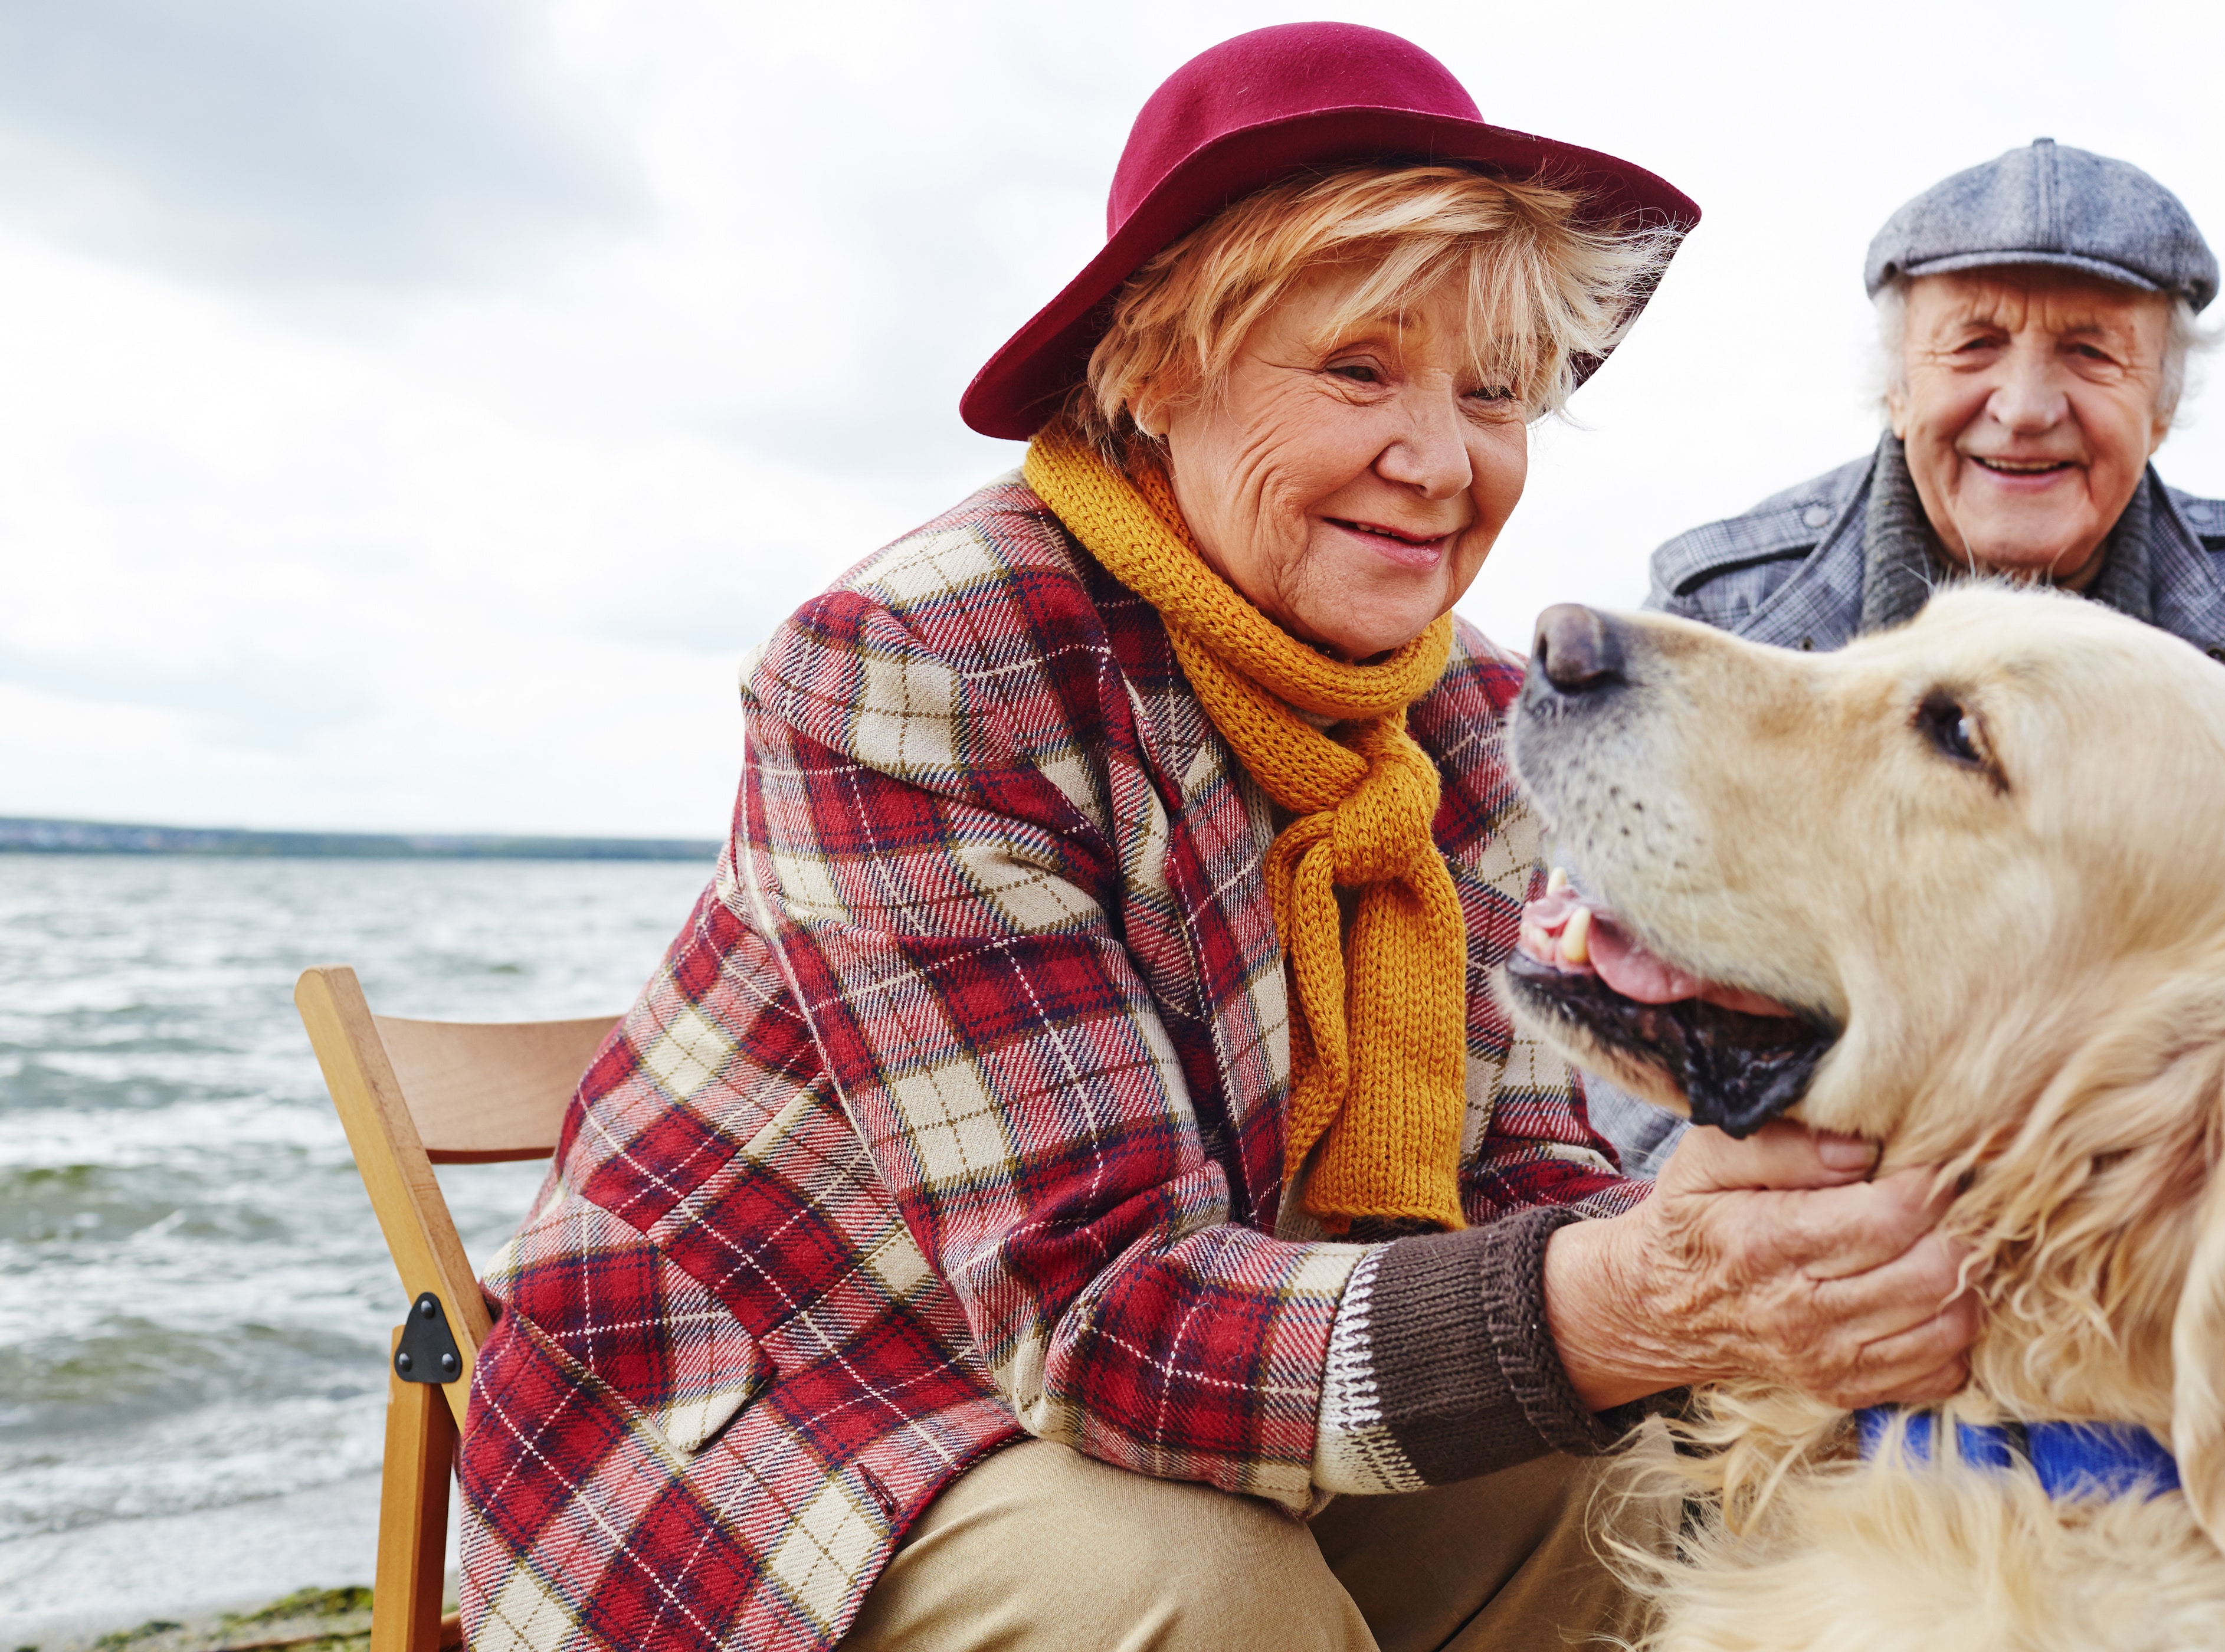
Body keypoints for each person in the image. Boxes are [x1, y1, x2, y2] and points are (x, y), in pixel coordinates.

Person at [452, 26, 1978, 1652]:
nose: (1442, 463)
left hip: (1194, 1364)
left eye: (1497, 393)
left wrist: (1731, 1243)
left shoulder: (1470, 714)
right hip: (806, 1395)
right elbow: (1100, 1315)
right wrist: (1636, 1293)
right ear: (1157, 363)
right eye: (1359, 370)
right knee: (1200, 1598)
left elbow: (1522, 1169)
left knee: (1640, 1469)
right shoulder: (917, 663)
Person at [1584, 139, 2225, 1177]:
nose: (2024, 405)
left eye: (2093, 353)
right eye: (1971, 346)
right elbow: (1608, 999)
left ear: (2164, 404)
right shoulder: (1728, 608)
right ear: (1896, 389)